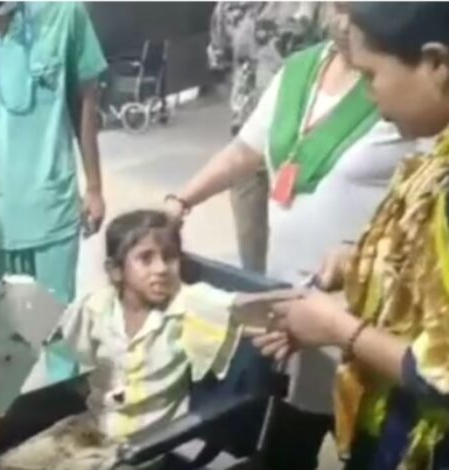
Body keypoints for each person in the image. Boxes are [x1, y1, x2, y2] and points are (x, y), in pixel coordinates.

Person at [167, 3, 418, 468]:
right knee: (286, 433)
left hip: (362, 314)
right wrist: (181, 201)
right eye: (338, 6)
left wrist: (358, 264)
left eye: (355, 9)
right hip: (292, 304)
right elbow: (245, 150)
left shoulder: (405, 88)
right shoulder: (299, 70)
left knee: (362, 432)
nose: (343, 21)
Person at [254, 3, 449, 469]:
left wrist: (338, 328)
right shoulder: (435, 157)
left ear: (436, 63)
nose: (369, 95)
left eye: (371, 75)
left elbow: (440, 374)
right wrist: (364, 261)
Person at [0, 210, 241, 469]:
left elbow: (247, 309)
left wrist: (271, 311)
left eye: (170, 257)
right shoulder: (101, 306)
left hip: (140, 447)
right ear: (116, 270)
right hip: (92, 427)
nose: (161, 268)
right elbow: (59, 330)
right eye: (146, 258)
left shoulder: (188, 304)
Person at [0, 1, 107, 382]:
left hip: (51, 200)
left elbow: (86, 101)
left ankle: (63, 407)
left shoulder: (65, 13)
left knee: (59, 328)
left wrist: (94, 187)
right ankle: (1, 410)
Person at [207, 1, 326, 274]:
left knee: (303, 244)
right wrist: (245, 106)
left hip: (303, 142)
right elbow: (220, 61)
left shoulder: (314, 5)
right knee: (250, 243)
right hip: (247, 140)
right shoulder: (230, 5)